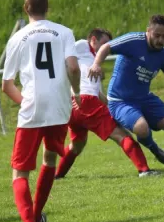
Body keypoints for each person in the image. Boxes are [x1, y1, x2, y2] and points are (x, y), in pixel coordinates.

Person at [2, 0, 81, 222]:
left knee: (20, 171)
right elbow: (73, 68)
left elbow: (6, 85)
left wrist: (24, 100)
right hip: (59, 106)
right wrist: (76, 92)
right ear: (48, 6)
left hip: (33, 106)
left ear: (26, 8)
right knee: (49, 160)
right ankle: (35, 217)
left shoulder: (17, 38)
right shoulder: (65, 32)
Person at [88, 14, 164, 170]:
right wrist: (96, 64)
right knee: (142, 128)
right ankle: (155, 149)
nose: (160, 40)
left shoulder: (162, 54)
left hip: (144, 98)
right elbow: (105, 47)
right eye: (157, 35)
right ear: (148, 31)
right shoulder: (133, 41)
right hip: (120, 101)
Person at [55, 28, 157, 179]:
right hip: (84, 101)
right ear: (93, 40)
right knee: (121, 135)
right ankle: (144, 171)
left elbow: (95, 92)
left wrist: (112, 105)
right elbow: (62, 57)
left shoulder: (92, 59)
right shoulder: (83, 45)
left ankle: (57, 176)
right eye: (104, 43)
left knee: (77, 144)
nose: (107, 47)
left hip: (74, 104)